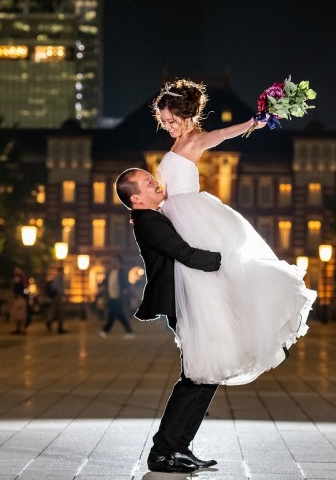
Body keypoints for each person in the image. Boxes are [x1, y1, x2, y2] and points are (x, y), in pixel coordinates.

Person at [152, 78, 316, 386]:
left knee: (206, 285)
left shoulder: (196, 140)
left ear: (186, 116)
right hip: (176, 212)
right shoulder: (177, 143)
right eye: (164, 122)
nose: (168, 127)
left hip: (191, 216)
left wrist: (256, 120)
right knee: (200, 289)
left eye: (171, 121)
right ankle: (209, 350)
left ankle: (220, 349)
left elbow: (225, 133)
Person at [116, 167, 222, 474]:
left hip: (186, 299)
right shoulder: (148, 222)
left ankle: (178, 447)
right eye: (148, 183)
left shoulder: (153, 216)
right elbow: (184, 253)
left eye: (153, 178)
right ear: (136, 198)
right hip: (180, 301)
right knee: (196, 374)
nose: (155, 183)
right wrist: (226, 260)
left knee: (206, 372)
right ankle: (164, 451)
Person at [99, 255, 134, 338]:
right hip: (111, 297)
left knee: (114, 314)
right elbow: (105, 283)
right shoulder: (110, 273)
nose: (113, 263)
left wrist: (125, 292)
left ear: (119, 263)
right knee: (117, 314)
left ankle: (105, 331)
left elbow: (126, 284)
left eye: (115, 261)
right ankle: (128, 331)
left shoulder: (121, 273)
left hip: (119, 297)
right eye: (112, 261)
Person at [45, 267, 66, 333]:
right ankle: (51, 323)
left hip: (58, 297)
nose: (63, 273)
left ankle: (57, 326)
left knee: (57, 312)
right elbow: (55, 288)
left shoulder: (60, 280)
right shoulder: (57, 280)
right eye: (62, 272)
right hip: (57, 297)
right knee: (58, 312)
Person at [10, 267, 28, 335]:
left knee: (20, 314)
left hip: (20, 299)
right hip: (18, 298)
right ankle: (18, 328)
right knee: (17, 315)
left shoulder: (20, 282)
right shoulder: (20, 281)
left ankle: (20, 328)